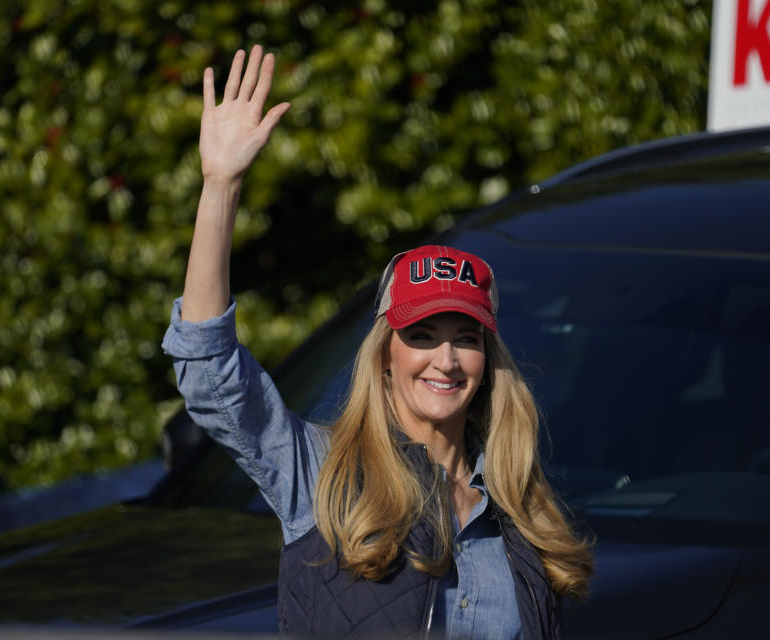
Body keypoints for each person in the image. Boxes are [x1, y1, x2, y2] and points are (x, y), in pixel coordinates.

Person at [162, 45, 593, 639]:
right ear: (387, 356)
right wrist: (221, 186)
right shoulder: (323, 475)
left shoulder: (520, 510)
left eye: (465, 338)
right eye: (422, 335)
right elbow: (209, 369)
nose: (445, 359)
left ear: (487, 362)